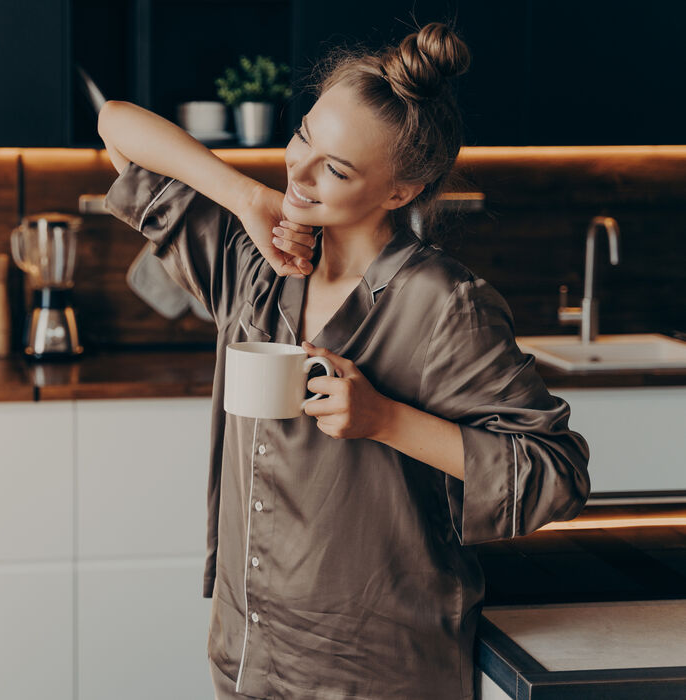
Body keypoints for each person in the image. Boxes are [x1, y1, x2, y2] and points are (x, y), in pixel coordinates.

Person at [97, 21, 589, 700]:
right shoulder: (253, 263)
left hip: (378, 671)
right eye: (303, 136)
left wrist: (386, 420)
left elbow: (554, 473)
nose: (298, 172)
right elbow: (117, 127)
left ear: (400, 191)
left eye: (335, 168)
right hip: (249, 654)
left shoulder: (443, 304)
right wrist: (244, 197)